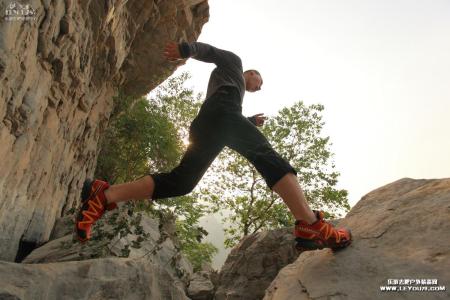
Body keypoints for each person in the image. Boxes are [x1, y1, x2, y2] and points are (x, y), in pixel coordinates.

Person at [76, 41, 352, 252]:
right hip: (221, 113)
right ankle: (310, 225)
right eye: (259, 81)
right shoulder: (234, 63)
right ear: (251, 73)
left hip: (212, 123)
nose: (259, 87)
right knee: (268, 158)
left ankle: (105, 194)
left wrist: (248, 121)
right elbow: (209, 52)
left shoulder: (232, 88)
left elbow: (225, 113)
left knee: (182, 182)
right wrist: (186, 49)